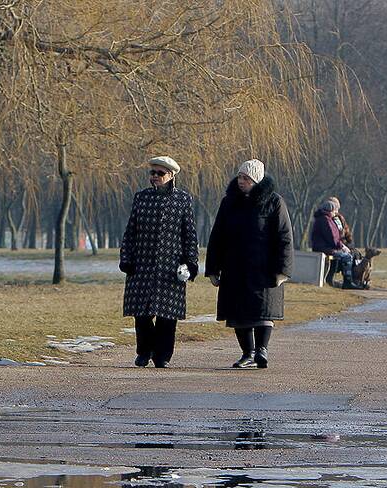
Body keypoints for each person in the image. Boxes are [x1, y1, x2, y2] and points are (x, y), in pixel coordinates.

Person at [205, 159, 293, 369]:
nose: (241, 181)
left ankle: (262, 350)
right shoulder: (229, 202)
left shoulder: (274, 202)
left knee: (263, 311)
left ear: (256, 180)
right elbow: (217, 237)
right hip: (234, 267)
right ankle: (247, 353)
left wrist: (283, 271)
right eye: (240, 177)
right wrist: (212, 269)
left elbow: (285, 237)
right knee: (239, 313)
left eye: (246, 178)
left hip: (264, 269)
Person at [119, 156, 199, 368]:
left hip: (170, 266)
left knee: (167, 315)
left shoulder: (182, 200)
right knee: (142, 313)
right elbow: (130, 232)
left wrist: (191, 263)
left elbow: (189, 235)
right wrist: (126, 259)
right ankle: (144, 351)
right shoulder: (141, 198)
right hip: (142, 264)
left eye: (159, 173)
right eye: (152, 173)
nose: (155, 177)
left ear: (171, 175)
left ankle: (162, 355)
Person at [310, 199, 357, 289]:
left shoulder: (326, 219)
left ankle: (333, 279)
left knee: (343, 254)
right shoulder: (325, 220)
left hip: (326, 247)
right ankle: (347, 282)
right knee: (347, 256)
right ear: (330, 210)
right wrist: (342, 246)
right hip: (323, 248)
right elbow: (332, 238)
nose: (336, 213)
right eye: (335, 210)